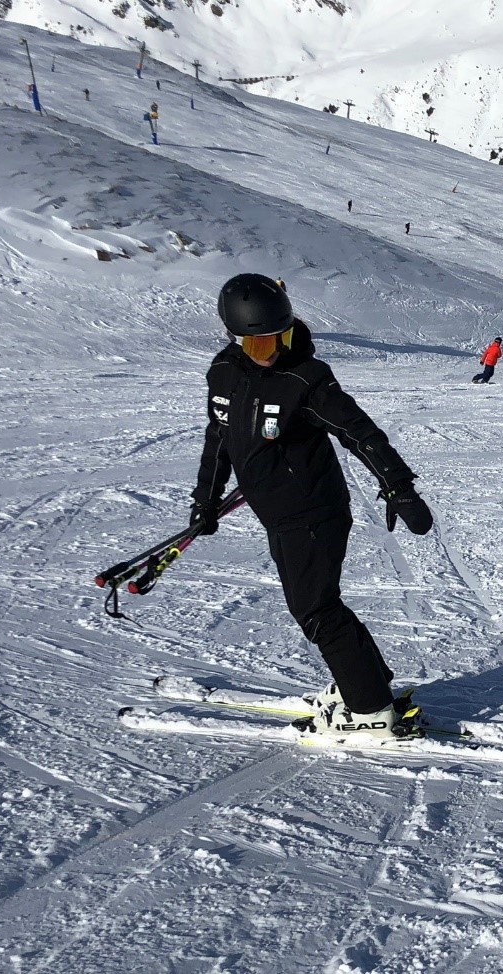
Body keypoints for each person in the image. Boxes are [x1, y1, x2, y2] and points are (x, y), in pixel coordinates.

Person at [190, 274, 434, 741]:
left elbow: (360, 433)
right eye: (259, 346)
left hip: (315, 513)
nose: (272, 351)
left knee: (316, 609)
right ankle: (366, 683)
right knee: (318, 604)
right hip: (275, 515)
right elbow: (219, 439)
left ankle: (369, 710)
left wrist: (399, 488)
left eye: (279, 338)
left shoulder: (305, 379)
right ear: (235, 340)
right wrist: (206, 499)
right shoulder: (222, 375)